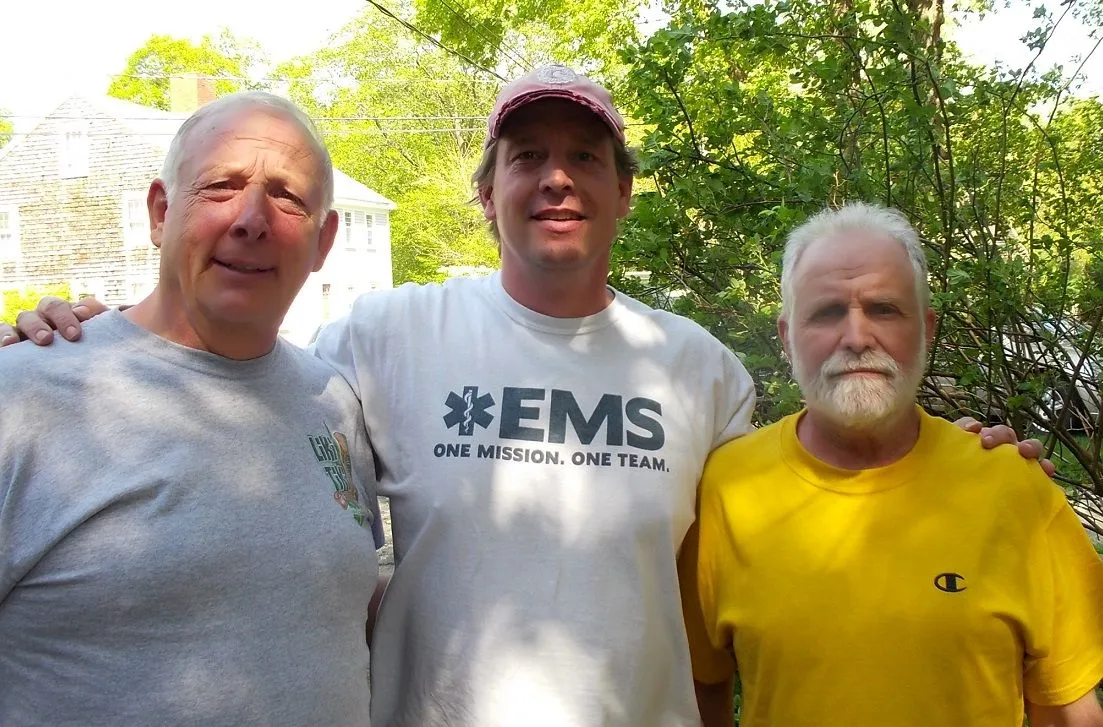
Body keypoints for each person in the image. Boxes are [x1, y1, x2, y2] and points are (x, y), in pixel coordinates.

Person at [0, 68, 1048, 727]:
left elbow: (805, 496)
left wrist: (943, 460)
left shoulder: (695, 369)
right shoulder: (377, 338)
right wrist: (79, 337)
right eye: (528, 157)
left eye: (584, 158)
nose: (556, 178)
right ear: (489, 191)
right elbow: (226, 365)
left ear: (621, 193)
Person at [0, 92, 383, 726]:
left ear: (325, 241)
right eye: (220, 187)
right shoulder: (22, 400)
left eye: (288, 197)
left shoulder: (333, 402)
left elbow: (330, 606)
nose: (252, 219)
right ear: (159, 212)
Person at [680, 203, 1103, 727]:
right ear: (788, 338)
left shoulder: (1014, 489)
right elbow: (699, 688)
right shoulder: (726, 489)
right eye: (828, 312)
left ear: (926, 329)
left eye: (884, 309)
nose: (857, 338)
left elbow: (1067, 708)